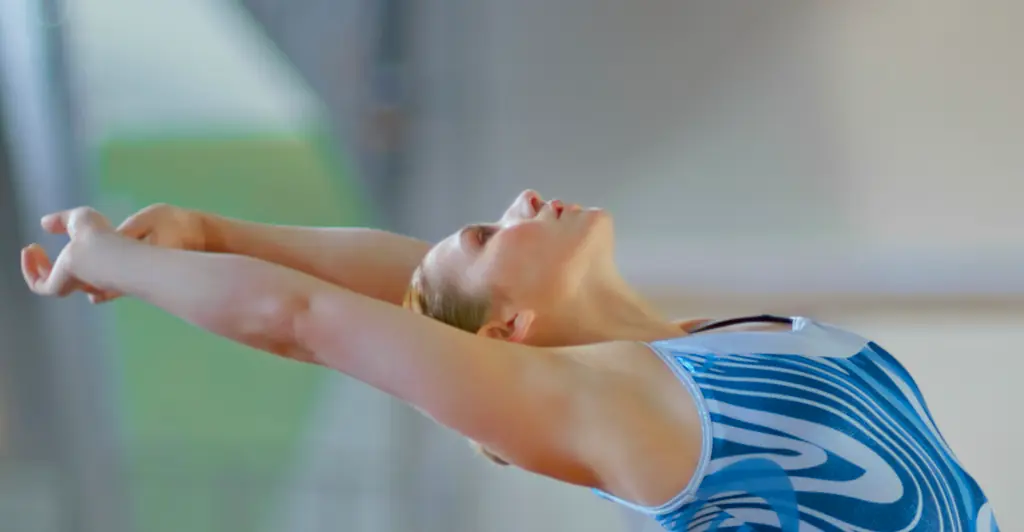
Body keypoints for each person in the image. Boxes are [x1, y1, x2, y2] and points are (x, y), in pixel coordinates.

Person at [21, 190, 999, 531]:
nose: (524, 197)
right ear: (511, 331)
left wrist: (208, 226)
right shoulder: (621, 411)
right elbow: (303, 317)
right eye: (492, 230)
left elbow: (404, 276)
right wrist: (113, 258)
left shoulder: (676, 355)